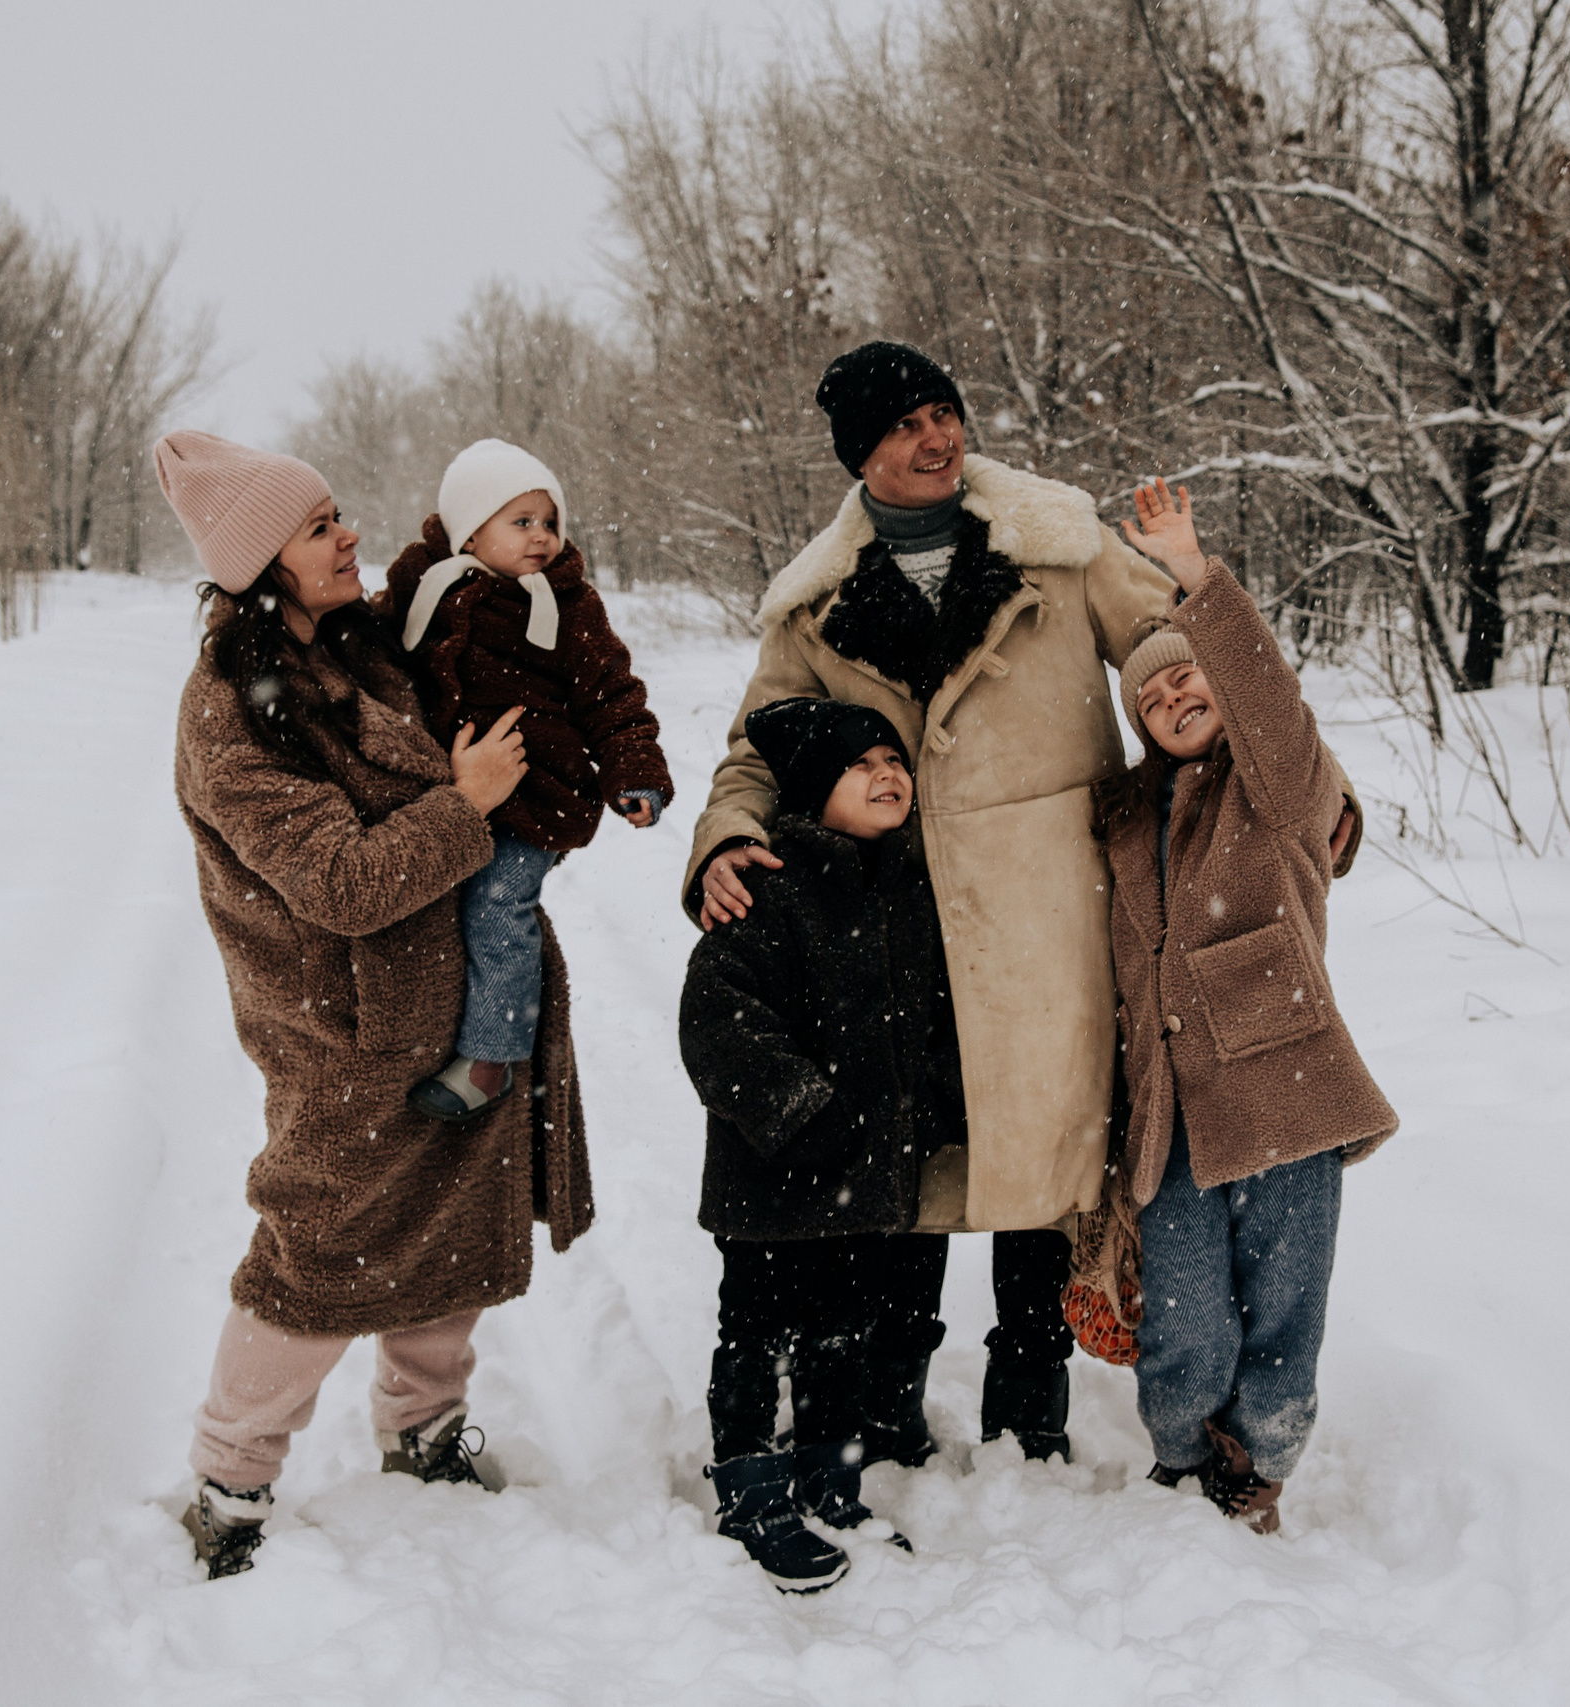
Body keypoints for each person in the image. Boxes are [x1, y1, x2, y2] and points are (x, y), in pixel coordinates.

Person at [687, 341, 1361, 1466]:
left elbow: (1184, 656)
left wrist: (1311, 789)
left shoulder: (1058, 541)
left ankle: (1030, 1393)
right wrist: (725, 837)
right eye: (904, 425)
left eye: (943, 412)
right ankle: (890, 1397)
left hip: (1058, 909)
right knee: (917, 1147)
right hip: (899, 926)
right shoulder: (811, 607)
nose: (936, 438)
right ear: (860, 455)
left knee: (1052, 1149)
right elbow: (755, 752)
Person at [155, 430, 595, 1580]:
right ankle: (230, 1481)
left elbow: (484, 598)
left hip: (459, 1009)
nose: (349, 535)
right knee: (316, 1254)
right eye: (319, 529)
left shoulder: (366, 647)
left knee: (456, 1225)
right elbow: (342, 884)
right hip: (344, 1034)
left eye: (338, 514)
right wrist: (467, 802)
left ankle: (424, 1430)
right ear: (261, 565)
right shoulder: (232, 712)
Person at [1099, 479, 1399, 1532]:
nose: (1173, 697)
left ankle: (1260, 1465)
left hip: (1284, 1087)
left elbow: (1269, 701)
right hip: (1172, 1109)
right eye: (1150, 696)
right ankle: (1182, 1454)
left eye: (1189, 675)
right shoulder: (1127, 818)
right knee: (1184, 1315)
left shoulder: (1275, 786)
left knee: (1283, 1304)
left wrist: (1194, 574)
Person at [678, 698, 955, 1592]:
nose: (888, 774)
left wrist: (930, 1110)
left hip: (860, 1182)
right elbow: (717, 1017)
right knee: (756, 1336)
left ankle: (830, 1484)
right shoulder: (768, 882)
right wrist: (800, 1111)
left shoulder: (906, 888)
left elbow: (927, 1025)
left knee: (842, 1336)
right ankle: (751, 1492)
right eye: (860, 764)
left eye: (894, 759)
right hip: (772, 1178)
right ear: (810, 789)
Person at [385, 438, 673, 1121]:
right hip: (450, 793)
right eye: (522, 522)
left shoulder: (570, 605)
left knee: (496, 904)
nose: (542, 536)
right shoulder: (421, 584)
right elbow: (379, 644)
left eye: (550, 521)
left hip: (536, 796)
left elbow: (613, 695)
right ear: (469, 530)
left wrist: (635, 771)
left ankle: (492, 1057)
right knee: (432, 910)